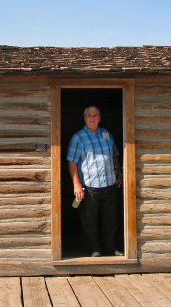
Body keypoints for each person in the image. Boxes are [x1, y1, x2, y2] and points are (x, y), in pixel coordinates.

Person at [67, 106, 123, 257]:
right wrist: (76, 184)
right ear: (84, 118)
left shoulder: (106, 134)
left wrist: (120, 172)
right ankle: (93, 249)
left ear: (100, 117)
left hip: (110, 184)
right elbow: (72, 162)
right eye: (89, 115)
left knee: (111, 220)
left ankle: (111, 247)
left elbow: (114, 155)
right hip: (89, 186)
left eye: (95, 115)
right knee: (89, 221)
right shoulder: (78, 137)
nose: (92, 118)